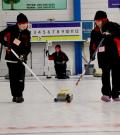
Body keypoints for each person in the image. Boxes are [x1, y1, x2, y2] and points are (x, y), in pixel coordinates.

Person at [89, 10, 120, 102]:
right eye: (95, 21)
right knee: (105, 74)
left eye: (98, 21)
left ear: (103, 20)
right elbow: (93, 44)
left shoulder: (113, 26)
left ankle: (115, 94)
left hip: (114, 54)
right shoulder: (94, 31)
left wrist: (111, 35)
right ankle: (106, 94)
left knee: (116, 74)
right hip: (103, 56)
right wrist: (92, 54)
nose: (96, 23)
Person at [0, 13, 31, 103]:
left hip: (21, 59)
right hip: (10, 58)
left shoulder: (27, 33)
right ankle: (15, 95)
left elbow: (28, 47)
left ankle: (20, 94)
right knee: (13, 78)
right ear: (18, 24)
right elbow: (0, 36)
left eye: (26, 24)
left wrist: (24, 55)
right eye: (23, 24)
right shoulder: (11, 29)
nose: (25, 26)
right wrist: (5, 44)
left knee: (21, 78)